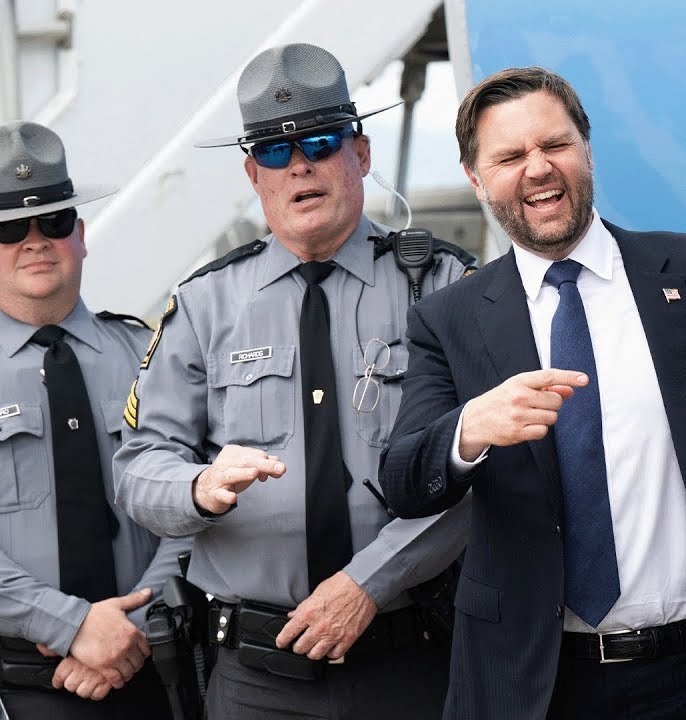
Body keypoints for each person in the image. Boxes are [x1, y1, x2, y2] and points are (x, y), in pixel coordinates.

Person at [377, 66, 686, 719]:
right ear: (476, 179)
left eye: (554, 145)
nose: (537, 169)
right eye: (510, 156)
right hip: (536, 685)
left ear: (586, 148)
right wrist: (471, 426)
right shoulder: (450, 319)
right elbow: (404, 480)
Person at [114, 43, 475, 719]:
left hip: (410, 655)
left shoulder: (445, 286)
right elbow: (137, 469)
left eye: (319, 141)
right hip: (258, 679)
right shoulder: (203, 305)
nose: (300, 165)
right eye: (276, 152)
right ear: (254, 173)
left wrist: (369, 583)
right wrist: (197, 486)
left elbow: (486, 467)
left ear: (360, 155)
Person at [0, 121, 187, 717]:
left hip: (154, 665)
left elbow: (193, 507)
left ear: (80, 234)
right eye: (9, 227)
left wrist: (133, 624)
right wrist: (75, 626)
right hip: (21, 685)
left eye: (53, 221)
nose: (35, 240)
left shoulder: (152, 355)